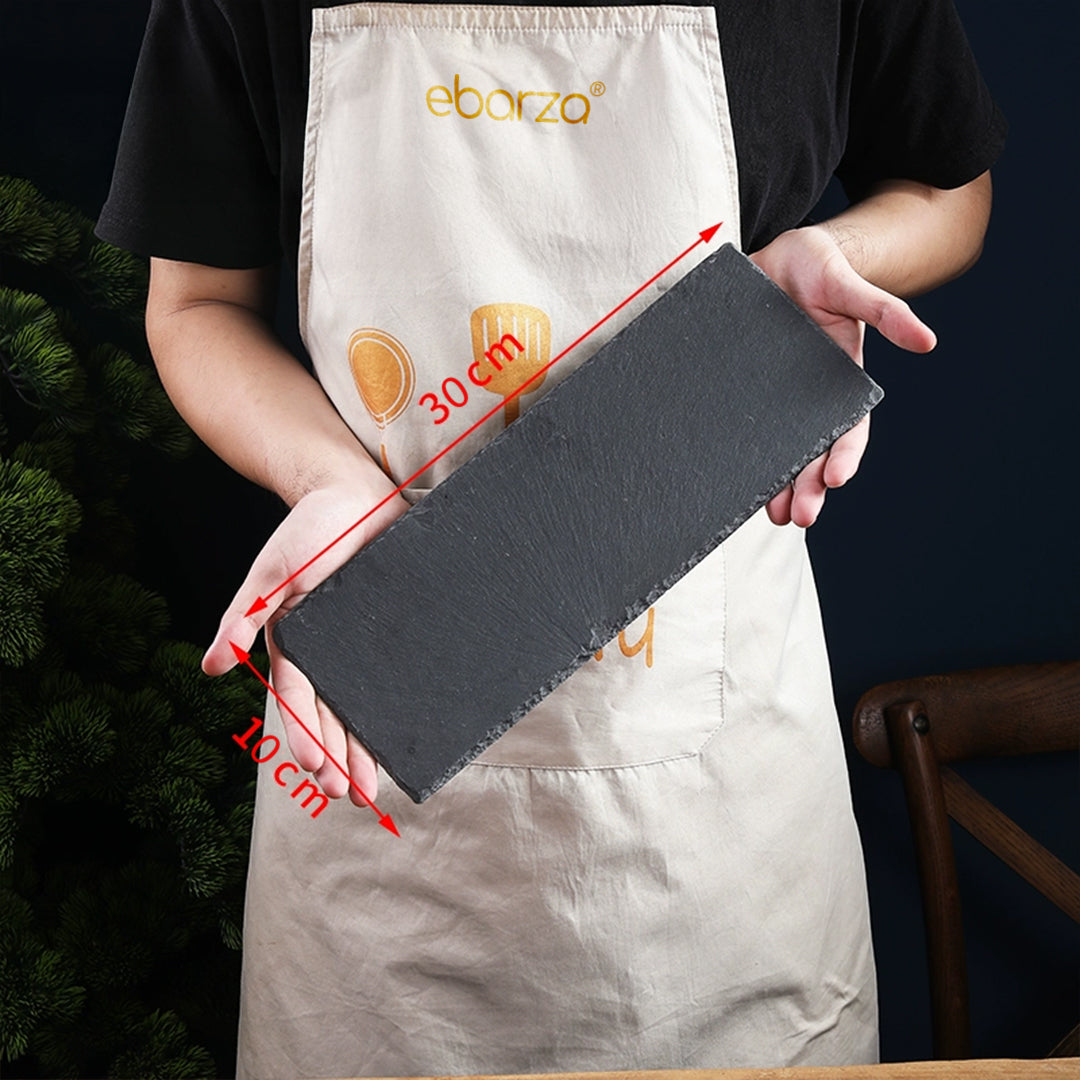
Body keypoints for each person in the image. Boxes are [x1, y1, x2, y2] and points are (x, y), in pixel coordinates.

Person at [97, 0, 1005, 1076]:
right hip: (372, 754)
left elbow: (950, 192)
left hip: (723, 813)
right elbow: (195, 303)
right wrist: (328, 478)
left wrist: (828, 253)